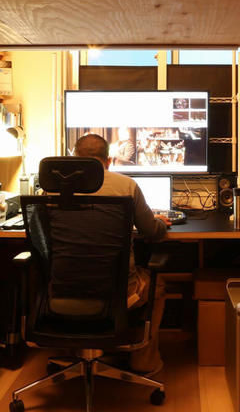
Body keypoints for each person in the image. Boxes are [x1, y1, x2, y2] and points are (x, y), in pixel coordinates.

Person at [74, 133, 170, 375]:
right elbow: (152, 232)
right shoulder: (126, 186)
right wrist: (159, 222)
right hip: (121, 292)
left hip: (64, 291)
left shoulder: (51, 190)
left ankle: (80, 347)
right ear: (109, 161)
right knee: (158, 285)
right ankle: (143, 361)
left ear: (74, 158)